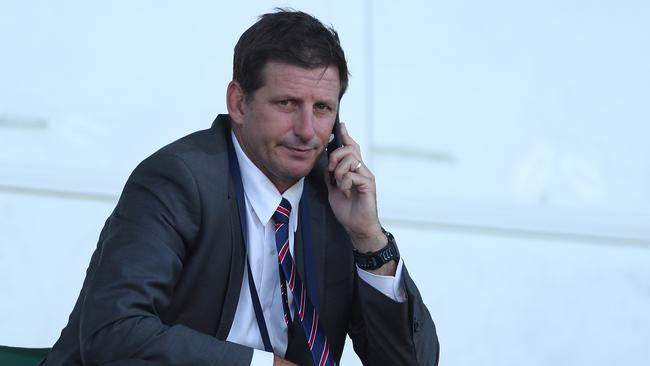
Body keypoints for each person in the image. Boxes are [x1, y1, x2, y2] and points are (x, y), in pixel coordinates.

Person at [41, 9, 439, 366]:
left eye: (322, 109)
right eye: (286, 104)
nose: (306, 131)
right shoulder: (177, 180)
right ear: (239, 103)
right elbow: (114, 333)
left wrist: (368, 240)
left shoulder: (334, 198)